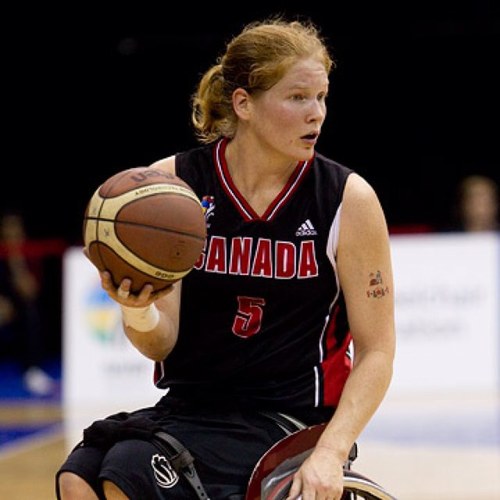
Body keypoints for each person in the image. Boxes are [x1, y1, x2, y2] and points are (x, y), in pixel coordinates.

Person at [56, 16, 396, 500]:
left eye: (321, 97)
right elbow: (160, 344)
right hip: (192, 407)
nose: (316, 113)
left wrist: (331, 452)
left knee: (126, 474)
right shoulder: (173, 187)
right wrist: (135, 305)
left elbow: (377, 351)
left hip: (289, 416)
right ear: (244, 104)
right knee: (80, 475)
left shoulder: (347, 199)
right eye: (298, 97)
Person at [0, 210, 56, 396]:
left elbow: (29, 290)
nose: (11, 233)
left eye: (15, 228)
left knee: (31, 312)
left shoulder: (29, 253)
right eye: (7, 228)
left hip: (15, 307)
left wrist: (15, 257)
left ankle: (32, 371)